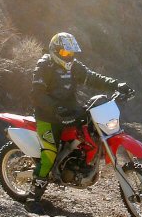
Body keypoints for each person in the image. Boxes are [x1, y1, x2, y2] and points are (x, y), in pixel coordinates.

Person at [31, 32, 132, 195]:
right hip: (48, 117)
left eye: (71, 53)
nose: (68, 56)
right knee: (49, 153)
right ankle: (33, 195)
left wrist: (116, 85)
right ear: (55, 51)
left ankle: (78, 166)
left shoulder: (74, 66)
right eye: (64, 53)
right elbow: (37, 94)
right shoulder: (44, 65)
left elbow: (93, 78)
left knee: (91, 134)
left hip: (71, 111)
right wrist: (56, 108)